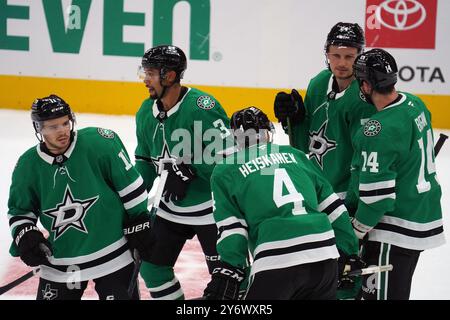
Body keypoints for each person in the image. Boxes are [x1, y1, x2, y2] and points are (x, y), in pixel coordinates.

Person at [203, 106, 362, 300]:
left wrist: (229, 269)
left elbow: (232, 229)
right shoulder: (297, 155)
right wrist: (349, 251)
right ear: (269, 132)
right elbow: (334, 208)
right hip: (323, 256)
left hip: (277, 257)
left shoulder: (225, 170)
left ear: (235, 139)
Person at [7, 95, 154, 300]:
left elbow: (131, 187)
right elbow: (20, 211)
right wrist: (26, 234)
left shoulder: (100, 143)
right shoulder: (27, 165)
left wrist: (140, 223)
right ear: (38, 129)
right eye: (52, 127)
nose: (62, 131)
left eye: (65, 123)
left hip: (114, 256)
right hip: (60, 263)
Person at [273, 22, 376, 299]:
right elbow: (304, 145)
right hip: (316, 191)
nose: (342, 63)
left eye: (349, 56)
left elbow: (363, 157)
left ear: (359, 55)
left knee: (345, 275)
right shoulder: (319, 82)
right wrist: (293, 122)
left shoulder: (363, 96)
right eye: (336, 55)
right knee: (318, 270)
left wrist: (352, 204)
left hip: (345, 197)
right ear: (327, 53)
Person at [134, 45, 235, 300]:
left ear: (169, 75)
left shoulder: (202, 106)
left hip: (213, 210)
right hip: (170, 208)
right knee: (152, 270)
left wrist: (190, 167)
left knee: (230, 279)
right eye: (144, 72)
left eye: (150, 73)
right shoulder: (145, 112)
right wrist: (128, 200)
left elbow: (229, 161)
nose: (145, 80)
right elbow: (145, 163)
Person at [349, 49, 446, 300]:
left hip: (393, 228)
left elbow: (377, 199)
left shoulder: (377, 130)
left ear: (366, 85)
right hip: (420, 213)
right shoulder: (415, 103)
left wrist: (356, 231)